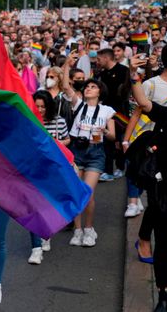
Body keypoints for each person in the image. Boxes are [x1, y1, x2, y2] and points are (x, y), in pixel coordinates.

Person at [129, 54, 167, 312]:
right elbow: (144, 104)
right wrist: (136, 76)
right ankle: (163, 295)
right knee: (164, 240)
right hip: (165, 185)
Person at [63, 51, 116, 248]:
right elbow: (66, 86)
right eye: (87, 87)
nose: (88, 89)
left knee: (87, 192)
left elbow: (112, 136)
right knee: (77, 191)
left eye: (93, 87)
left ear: (99, 92)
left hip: (95, 152)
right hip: (77, 151)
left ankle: (89, 228)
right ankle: (77, 230)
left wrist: (104, 130)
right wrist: (68, 64)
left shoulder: (106, 110)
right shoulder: (78, 105)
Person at [27, 91, 70, 264]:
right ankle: (37, 244)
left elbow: (67, 139)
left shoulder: (58, 121)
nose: (40, 109)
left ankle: (47, 232)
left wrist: (55, 143)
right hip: (33, 168)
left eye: (43, 106)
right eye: (37, 106)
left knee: (49, 204)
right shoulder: (28, 120)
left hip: (52, 168)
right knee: (35, 206)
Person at [97, 48, 130, 181]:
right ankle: (108, 171)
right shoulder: (103, 74)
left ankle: (121, 167)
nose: (97, 62)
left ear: (106, 58)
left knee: (120, 140)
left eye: (99, 59)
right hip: (106, 112)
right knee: (107, 141)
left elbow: (125, 92)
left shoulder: (123, 71)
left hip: (120, 112)